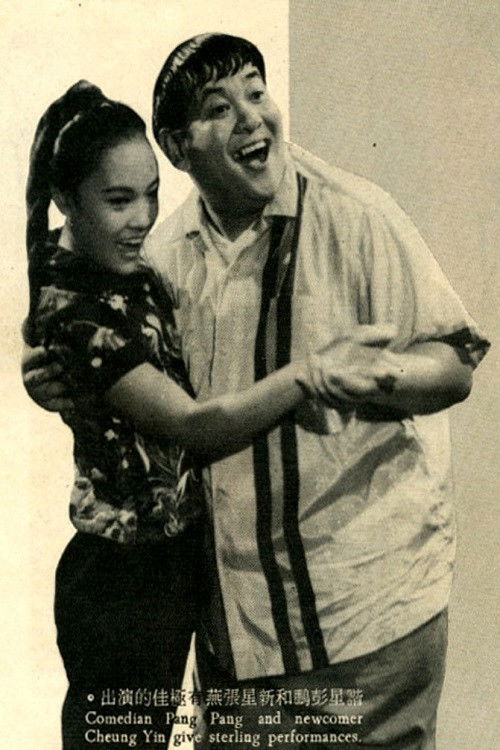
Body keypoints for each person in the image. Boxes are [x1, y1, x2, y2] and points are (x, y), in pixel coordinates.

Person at [24, 35, 490, 749]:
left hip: (368, 623)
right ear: (178, 148)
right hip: (240, 644)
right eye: (218, 107)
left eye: (256, 90)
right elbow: (101, 332)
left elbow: (455, 364)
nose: (251, 117)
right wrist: (54, 377)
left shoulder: (358, 215)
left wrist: (381, 376)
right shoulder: (160, 259)